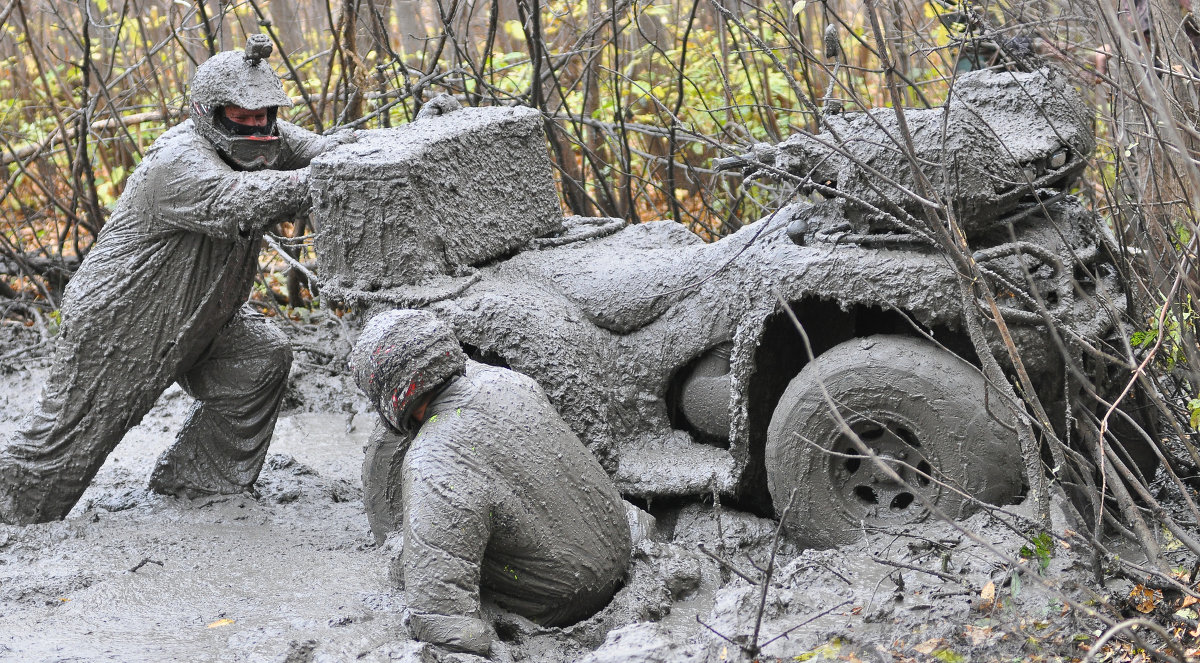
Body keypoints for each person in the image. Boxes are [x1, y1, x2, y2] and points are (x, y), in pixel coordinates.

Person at [0, 34, 353, 525]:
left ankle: (198, 485)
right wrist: (329, 178)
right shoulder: (176, 163)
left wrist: (388, 149)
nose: (256, 128)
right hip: (122, 324)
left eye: (264, 116)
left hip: (203, 315)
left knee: (259, 358)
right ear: (209, 114)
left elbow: (332, 152)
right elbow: (242, 200)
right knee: (61, 447)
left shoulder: (269, 138)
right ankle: (13, 525)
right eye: (242, 118)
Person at [349, 309, 632, 656]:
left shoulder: (434, 460)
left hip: (566, 600)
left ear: (387, 398)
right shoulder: (512, 382)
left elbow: (441, 617)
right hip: (622, 550)